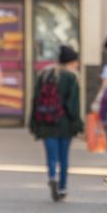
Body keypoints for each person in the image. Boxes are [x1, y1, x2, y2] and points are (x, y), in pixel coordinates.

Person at [28, 44, 84, 201]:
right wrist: (78, 125)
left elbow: (36, 100)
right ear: (71, 61)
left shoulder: (44, 75)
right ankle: (62, 187)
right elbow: (72, 106)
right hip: (64, 124)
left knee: (51, 156)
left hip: (46, 123)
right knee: (64, 157)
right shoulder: (71, 77)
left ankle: (52, 176)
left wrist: (33, 123)